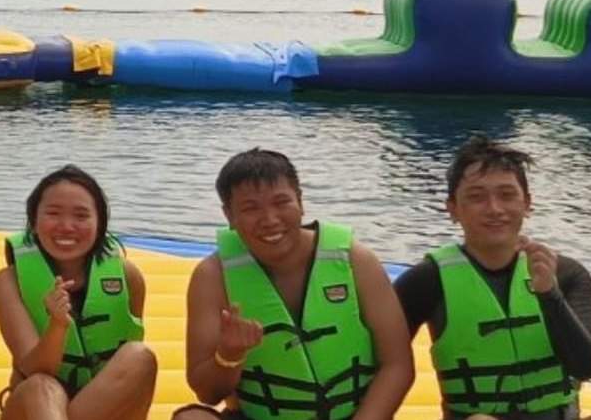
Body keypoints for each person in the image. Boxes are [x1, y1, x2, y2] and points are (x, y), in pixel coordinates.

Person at [393, 136, 591, 420]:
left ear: (527, 203)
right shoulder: (427, 281)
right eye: (477, 197)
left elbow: (585, 366)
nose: (494, 209)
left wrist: (550, 295)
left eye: (507, 195)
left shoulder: (566, 274)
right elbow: (385, 367)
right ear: (452, 209)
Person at [176, 148, 414, 420]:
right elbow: (208, 393)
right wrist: (229, 355)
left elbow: (397, 365)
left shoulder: (355, 260)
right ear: (229, 215)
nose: (270, 219)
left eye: (281, 202)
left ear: (300, 201)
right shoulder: (212, 277)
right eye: (250, 208)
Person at [0, 166, 158, 420]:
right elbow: (35, 368)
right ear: (33, 223)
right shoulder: (9, 281)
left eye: (81, 216)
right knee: (42, 388)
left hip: (99, 410)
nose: (67, 226)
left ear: (99, 224)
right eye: (53, 213)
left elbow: (131, 388)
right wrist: (57, 326)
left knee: (140, 357)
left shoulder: (128, 277)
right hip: (33, 408)